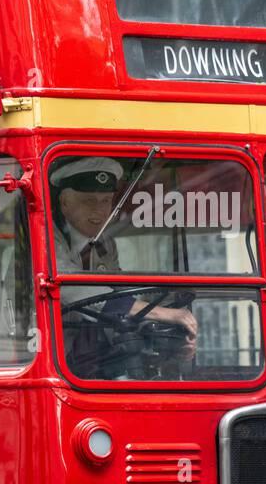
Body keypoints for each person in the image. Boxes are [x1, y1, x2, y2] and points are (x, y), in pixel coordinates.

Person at [50, 157, 197, 375]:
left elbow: (118, 292)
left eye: (106, 201)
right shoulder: (45, 239)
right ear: (65, 203)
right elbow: (78, 291)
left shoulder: (104, 244)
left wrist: (169, 337)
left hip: (92, 360)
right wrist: (161, 313)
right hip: (44, 358)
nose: (99, 211)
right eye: (89, 201)